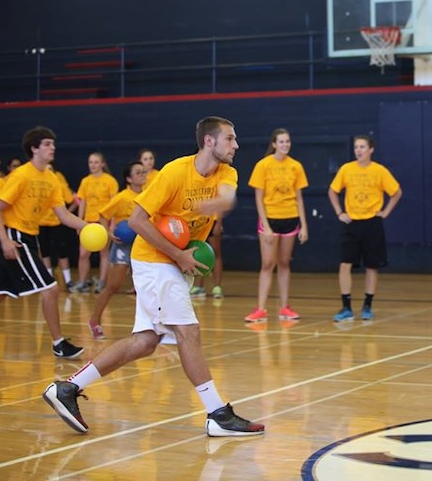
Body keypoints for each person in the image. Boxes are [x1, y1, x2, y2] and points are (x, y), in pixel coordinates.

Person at [42, 116, 265, 437]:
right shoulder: (174, 172)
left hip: (171, 263)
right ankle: (218, 414)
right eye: (230, 139)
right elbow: (136, 220)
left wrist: (214, 205)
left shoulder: (227, 171)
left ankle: (67, 388)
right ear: (209, 142)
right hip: (153, 260)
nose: (237, 145)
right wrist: (179, 255)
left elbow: (228, 197)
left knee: (145, 342)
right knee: (188, 332)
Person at [0, 127, 87, 360]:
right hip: (15, 238)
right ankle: (58, 344)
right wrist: (4, 241)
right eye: (47, 144)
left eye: (52, 144)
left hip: (29, 237)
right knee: (51, 288)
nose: (52, 148)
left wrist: (87, 227)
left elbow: (64, 215)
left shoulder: (51, 178)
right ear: (34, 148)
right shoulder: (21, 175)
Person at [328, 135, 402, 322]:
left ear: (371, 150)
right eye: (356, 147)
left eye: (362, 147)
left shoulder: (379, 171)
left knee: (372, 266)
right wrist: (339, 212)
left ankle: (367, 306)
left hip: (372, 223)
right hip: (352, 223)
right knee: (345, 264)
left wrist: (385, 212)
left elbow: (396, 192)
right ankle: (346, 307)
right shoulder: (346, 169)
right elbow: (332, 191)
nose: (359, 150)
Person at [245, 128, 308, 323]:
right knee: (267, 264)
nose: (285, 145)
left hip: (290, 219)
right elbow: (258, 198)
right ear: (274, 144)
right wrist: (266, 226)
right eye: (281, 142)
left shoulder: (296, 166)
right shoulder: (263, 165)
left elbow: (299, 198)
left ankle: (284, 308)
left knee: (284, 263)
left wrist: (304, 225)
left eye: (287, 141)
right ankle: (261, 309)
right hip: (270, 220)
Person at [88, 161, 147, 339]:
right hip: (123, 245)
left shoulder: (147, 195)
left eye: (143, 172)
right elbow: (103, 214)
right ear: (129, 178)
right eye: (138, 173)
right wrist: (108, 232)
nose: (143, 174)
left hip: (143, 245)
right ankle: (95, 320)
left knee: (146, 287)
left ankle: (151, 326)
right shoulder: (122, 197)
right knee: (113, 286)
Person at [70, 152, 118, 293]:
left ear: (102, 164)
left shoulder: (110, 181)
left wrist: (113, 224)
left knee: (104, 253)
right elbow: (82, 202)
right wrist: (79, 222)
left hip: (103, 221)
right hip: (88, 222)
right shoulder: (86, 181)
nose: (93, 165)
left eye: (96, 162)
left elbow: (114, 204)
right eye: (91, 162)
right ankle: (83, 282)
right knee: (83, 254)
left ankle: (102, 282)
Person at [39, 162, 78, 290]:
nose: (48, 171)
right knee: (44, 252)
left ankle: (68, 280)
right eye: (46, 169)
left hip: (56, 223)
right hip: (41, 223)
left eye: (50, 169)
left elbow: (74, 200)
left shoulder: (59, 185)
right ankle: (48, 279)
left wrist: (66, 214)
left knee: (62, 251)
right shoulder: (40, 185)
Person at [190, 218, 224, 299]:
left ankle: (217, 287)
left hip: (213, 220)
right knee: (199, 252)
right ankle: (199, 287)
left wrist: (219, 223)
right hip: (199, 220)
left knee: (216, 253)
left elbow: (220, 206)